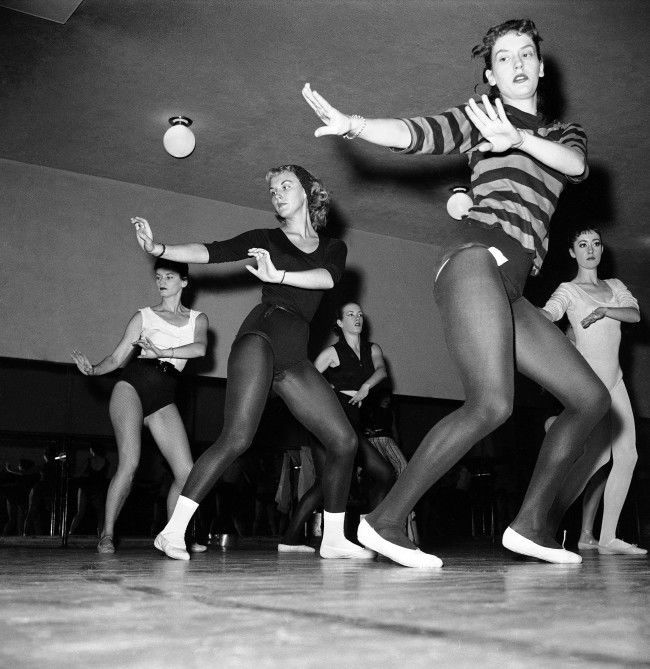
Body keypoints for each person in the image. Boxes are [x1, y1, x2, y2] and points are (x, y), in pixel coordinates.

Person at [302, 18, 610, 566]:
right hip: (474, 261)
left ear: (540, 66)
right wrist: (355, 125)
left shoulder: (562, 134)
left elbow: (577, 165)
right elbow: (417, 133)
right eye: (503, 58)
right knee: (492, 402)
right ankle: (385, 521)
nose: (516, 63)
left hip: (512, 287)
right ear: (491, 75)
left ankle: (532, 525)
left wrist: (521, 139)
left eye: (525, 54)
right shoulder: (481, 120)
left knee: (590, 400)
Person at [136, 164, 374, 561]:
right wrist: (160, 249)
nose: (277, 193)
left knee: (344, 440)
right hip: (260, 336)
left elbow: (328, 279)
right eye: (272, 190)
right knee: (237, 437)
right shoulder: (265, 239)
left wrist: (278, 272)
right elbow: (211, 251)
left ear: (309, 192)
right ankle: (172, 531)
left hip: (294, 356)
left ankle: (333, 538)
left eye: (286, 185)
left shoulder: (334, 247)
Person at [71, 258, 209, 554]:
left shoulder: (198, 319)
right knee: (130, 463)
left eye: (169, 277)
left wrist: (165, 351)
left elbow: (199, 348)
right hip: (132, 386)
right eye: (158, 277)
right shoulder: (144, 316)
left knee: (187, 473)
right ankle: (106, 534)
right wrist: (93, 370)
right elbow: (118, 358)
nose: (162, 282)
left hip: (164, 397)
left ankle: (172, 534)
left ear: (184, 281)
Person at [542, 228, 644, 555]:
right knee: (594, 460)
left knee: (628, 456)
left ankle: (607, 537)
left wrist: (605, 311)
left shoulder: (615, 287)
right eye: (582, 245)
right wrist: (532, 318)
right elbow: (550, 313)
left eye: (596, 244)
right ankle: (541, 525)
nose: (590, 250)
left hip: (616, 383)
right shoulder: (568, 290)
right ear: (572, 252)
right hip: (592, 389)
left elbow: (635, 314)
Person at [277, 302, 395, 551]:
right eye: (350, 314)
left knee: (383, 474)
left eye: (360, 314)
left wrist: (365, 388)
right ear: (340, 324)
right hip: (328, 426)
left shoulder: (372, 349)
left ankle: (369, 533)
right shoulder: (331, 353)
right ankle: (290, 540)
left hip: (352, 427)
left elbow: (381, 371)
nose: (357, 318)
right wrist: (332, 391)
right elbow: (307, 382)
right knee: (326, 484)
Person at [67, 445, 109, 537]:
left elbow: (78, 474)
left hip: (87, 488)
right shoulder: (106, 462)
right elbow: (104, 476)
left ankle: (70, 532)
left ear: (92, 450)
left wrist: (71, 472)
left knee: (80, 512)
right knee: (100, 513)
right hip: (97, 489)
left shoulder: (89, 461)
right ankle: (100, 534)